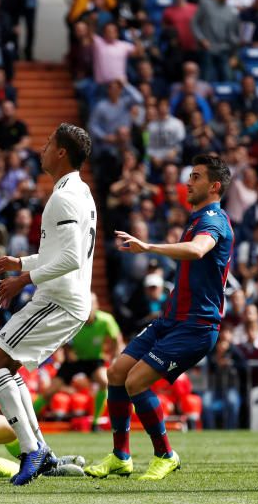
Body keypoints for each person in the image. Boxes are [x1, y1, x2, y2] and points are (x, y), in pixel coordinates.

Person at [85, 154, 233, 481]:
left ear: (214, 186)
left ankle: (166, 454)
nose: (188, 182)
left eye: (195, 177)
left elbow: (197, 251)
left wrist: (149, 247)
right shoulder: (195, 218)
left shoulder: (214, 220)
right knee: (117, 373)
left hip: (196, 326)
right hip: (170, 320)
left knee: (136, 381)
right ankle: (121, 456)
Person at [0, 123, 96, 485]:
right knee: (7, 367)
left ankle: (32, 450)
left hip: (59, 299)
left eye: (48, 143)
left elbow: (72, 258)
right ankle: (39, 451)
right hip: (65, 298)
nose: (42, 149)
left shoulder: (63, 197)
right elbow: (57, 253)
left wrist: (22, 280)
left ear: (61, 152)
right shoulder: (80, 191)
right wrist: (21, 262)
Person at [33, 293, 121, 429]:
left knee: (104, 381)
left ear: (97, 305)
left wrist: (114, 357)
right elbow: (62, 339)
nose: (89, 307)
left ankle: (95, 422)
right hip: (74, 361)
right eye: (87, 304)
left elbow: (117, 338)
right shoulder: (73, 319)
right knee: (50, 391)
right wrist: (68, 352)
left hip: (94, 360)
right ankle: (28, 420)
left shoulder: (106, 320)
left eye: (92, 304)